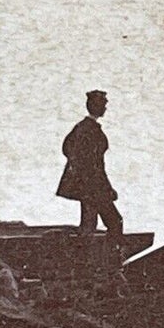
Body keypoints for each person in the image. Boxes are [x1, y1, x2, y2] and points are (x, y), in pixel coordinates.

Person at [57, 90, 124, 235]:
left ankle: (89, 257)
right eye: (103, 105)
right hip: (94, 187)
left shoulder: (81, 127)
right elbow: (96, 166)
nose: (105, 108)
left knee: (88, 226)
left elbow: (67, 148)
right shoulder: (91, 130)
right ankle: (111, 257)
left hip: (86, 187)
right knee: (115, 222)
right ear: (96, 106)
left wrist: (76, 167)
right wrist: (108, 189)